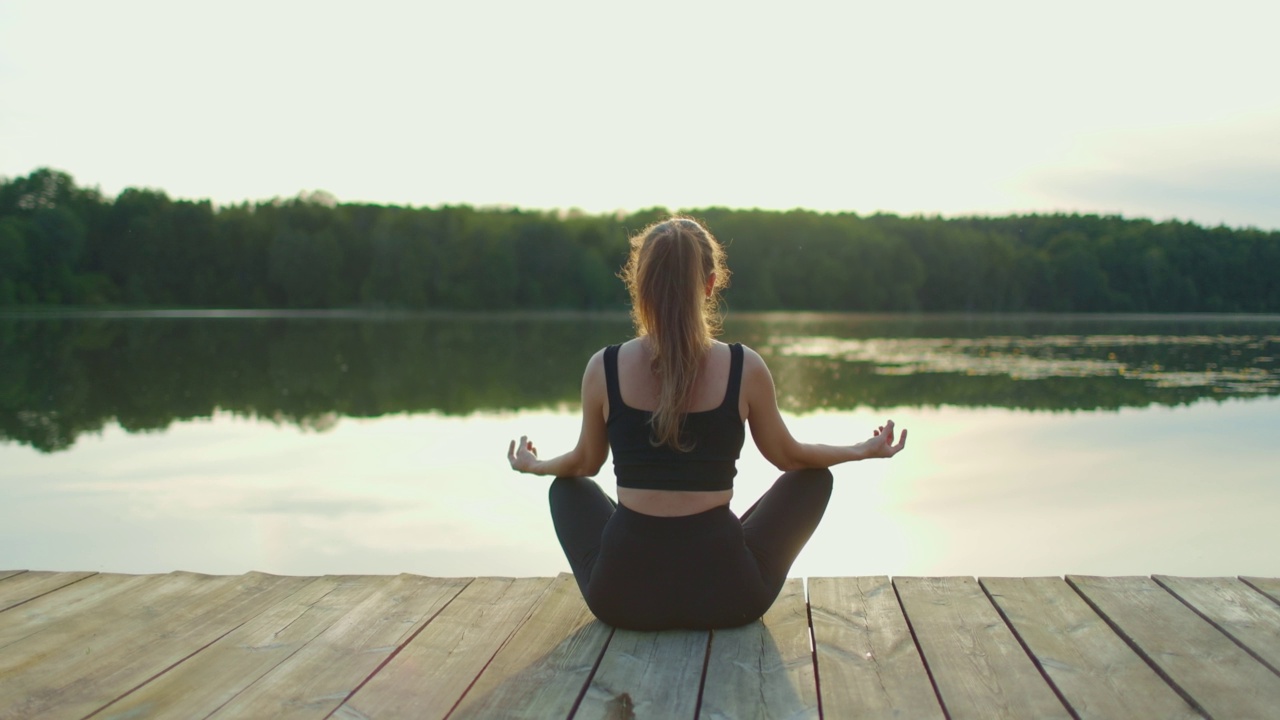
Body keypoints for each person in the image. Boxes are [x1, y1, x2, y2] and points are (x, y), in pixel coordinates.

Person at [506, 216, 907, 630]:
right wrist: (860, 450)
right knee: (814, 479)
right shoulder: (743, 367)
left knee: (568, 489)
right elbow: (791, 457)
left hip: (622, 599)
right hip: (729, 598)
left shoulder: (603, 368)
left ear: (639, 285)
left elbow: (582, 465)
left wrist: (535, 465)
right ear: (711, 284)